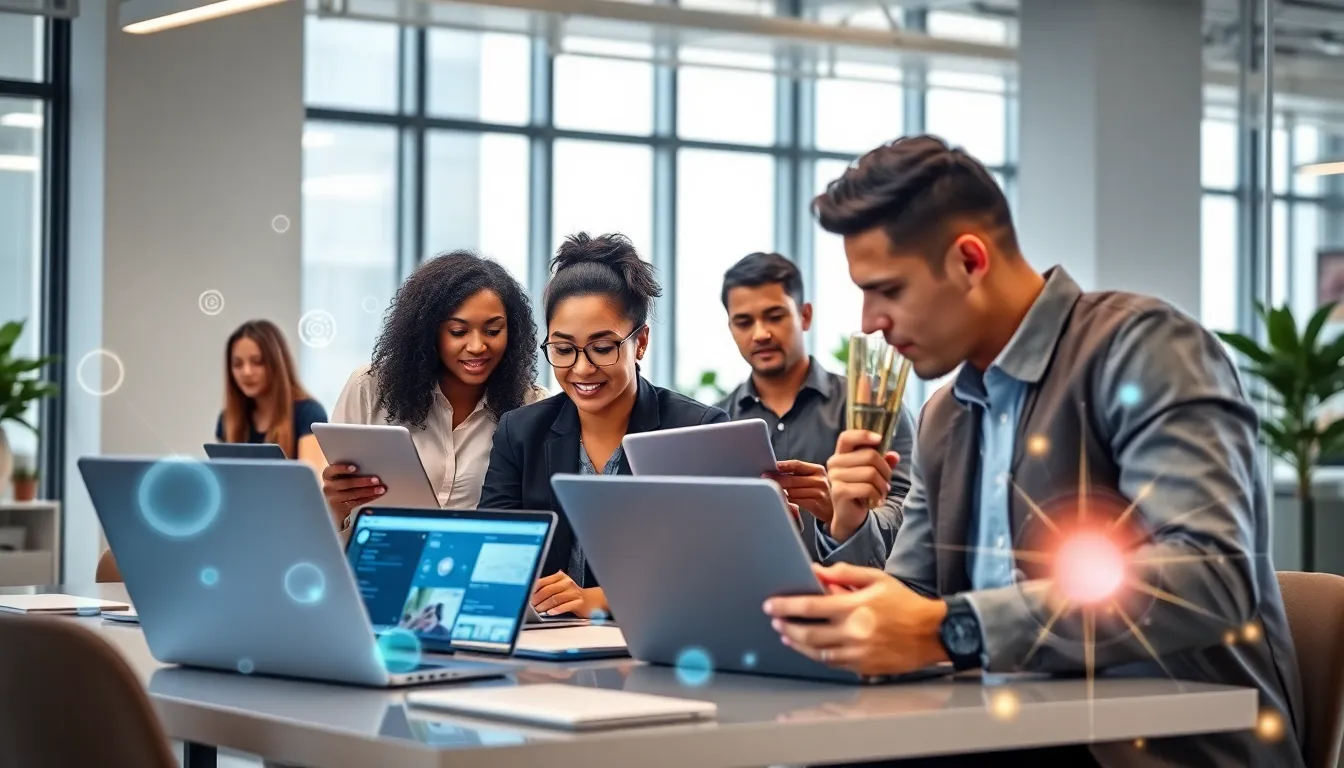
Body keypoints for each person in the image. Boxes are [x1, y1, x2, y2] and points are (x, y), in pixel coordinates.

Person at [763, 135, 1306, 767]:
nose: (868, 321)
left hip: (1162, 751)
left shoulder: (1146, 349)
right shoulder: (946, 415)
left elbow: (1209, 575)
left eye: (888, 290)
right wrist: (843, 605)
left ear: (969, 260)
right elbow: (914, 593)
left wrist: (950, 629)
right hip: (1001, 735)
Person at [480, 232, 729, 619]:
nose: (581, 368)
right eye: (563, 350)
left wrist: (597, 599)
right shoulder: (521, 433)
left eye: (602, 348)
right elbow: (491, 553)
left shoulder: (697, 432)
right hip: (546, 647)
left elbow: (717, 573)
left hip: (658, 646)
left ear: (641, 342)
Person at [717, 252, 915, 566]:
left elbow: (909, 515)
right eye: (744, 322)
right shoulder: (716, 423)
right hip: (746, 603)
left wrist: (843, 517)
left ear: (805, 316)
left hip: (853, 603)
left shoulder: (873, 406)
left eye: (775, 316)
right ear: (730, 328)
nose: (760, 333)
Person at [323, 251, 544, 529]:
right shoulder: (369, 388)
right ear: (427, 332)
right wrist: (333, 503)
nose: (477, 346)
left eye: (493, 330)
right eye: (458, 332)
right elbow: (327, 516)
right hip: (378, 561)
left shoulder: (532, 407)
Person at [216, 319, 327, 473]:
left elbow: (311, 486)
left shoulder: (308, 413)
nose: (246, 372)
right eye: (237, 364)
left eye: (257, 362)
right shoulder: (228, 419)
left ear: (277, 363)